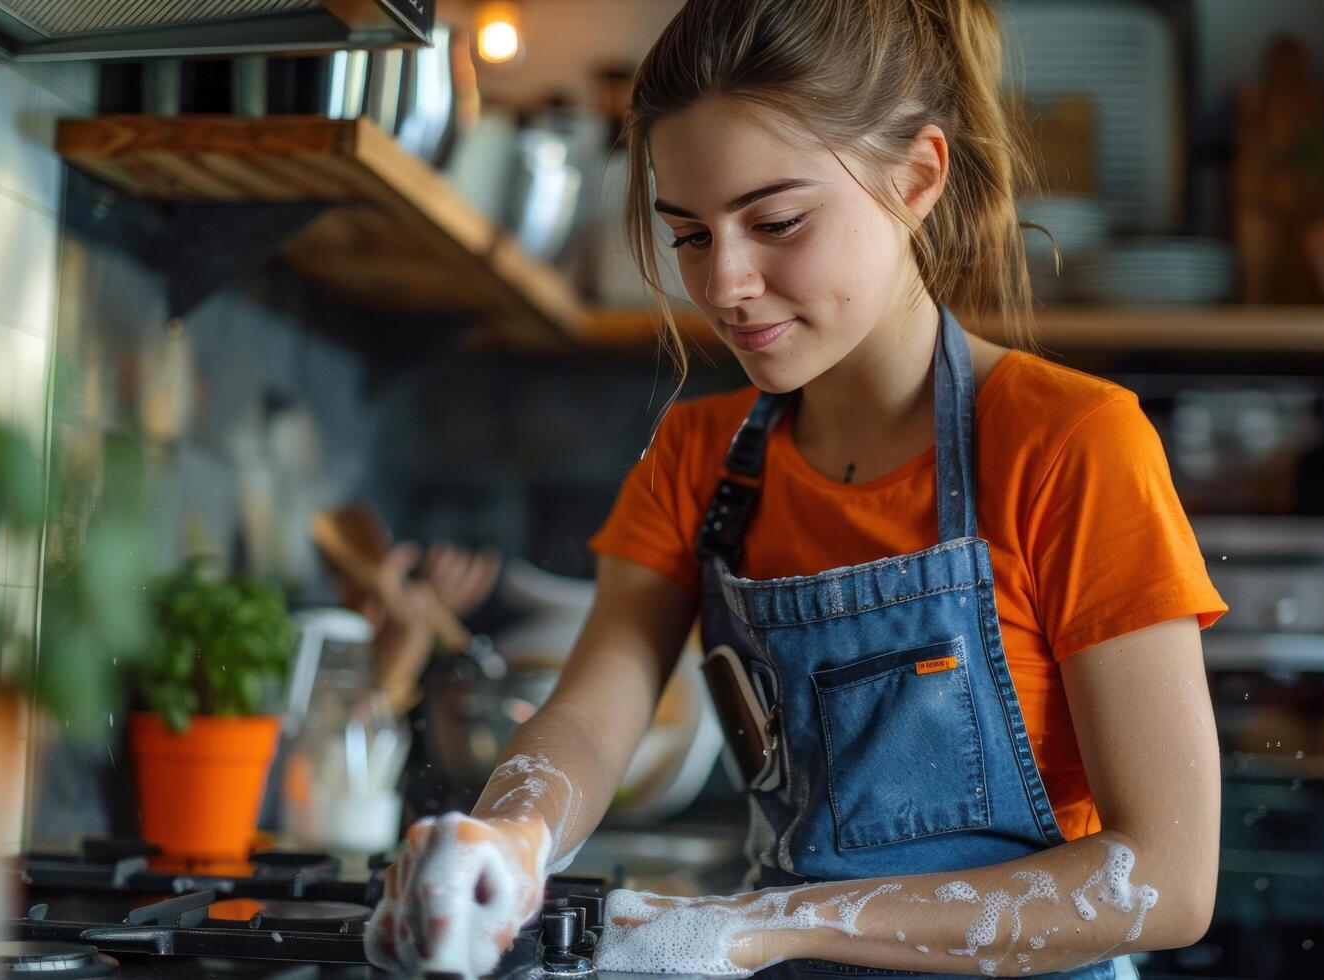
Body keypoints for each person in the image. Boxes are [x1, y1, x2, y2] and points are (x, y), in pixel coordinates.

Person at [364, 0, 1226, 976]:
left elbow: (1166, 877)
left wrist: (767, 925)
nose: (726, 282)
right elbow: (591, 716)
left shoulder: (1068, 443)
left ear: (917, 178)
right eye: (689, 234)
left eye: (776, 222)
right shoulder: (697, 455)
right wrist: (508, 841)